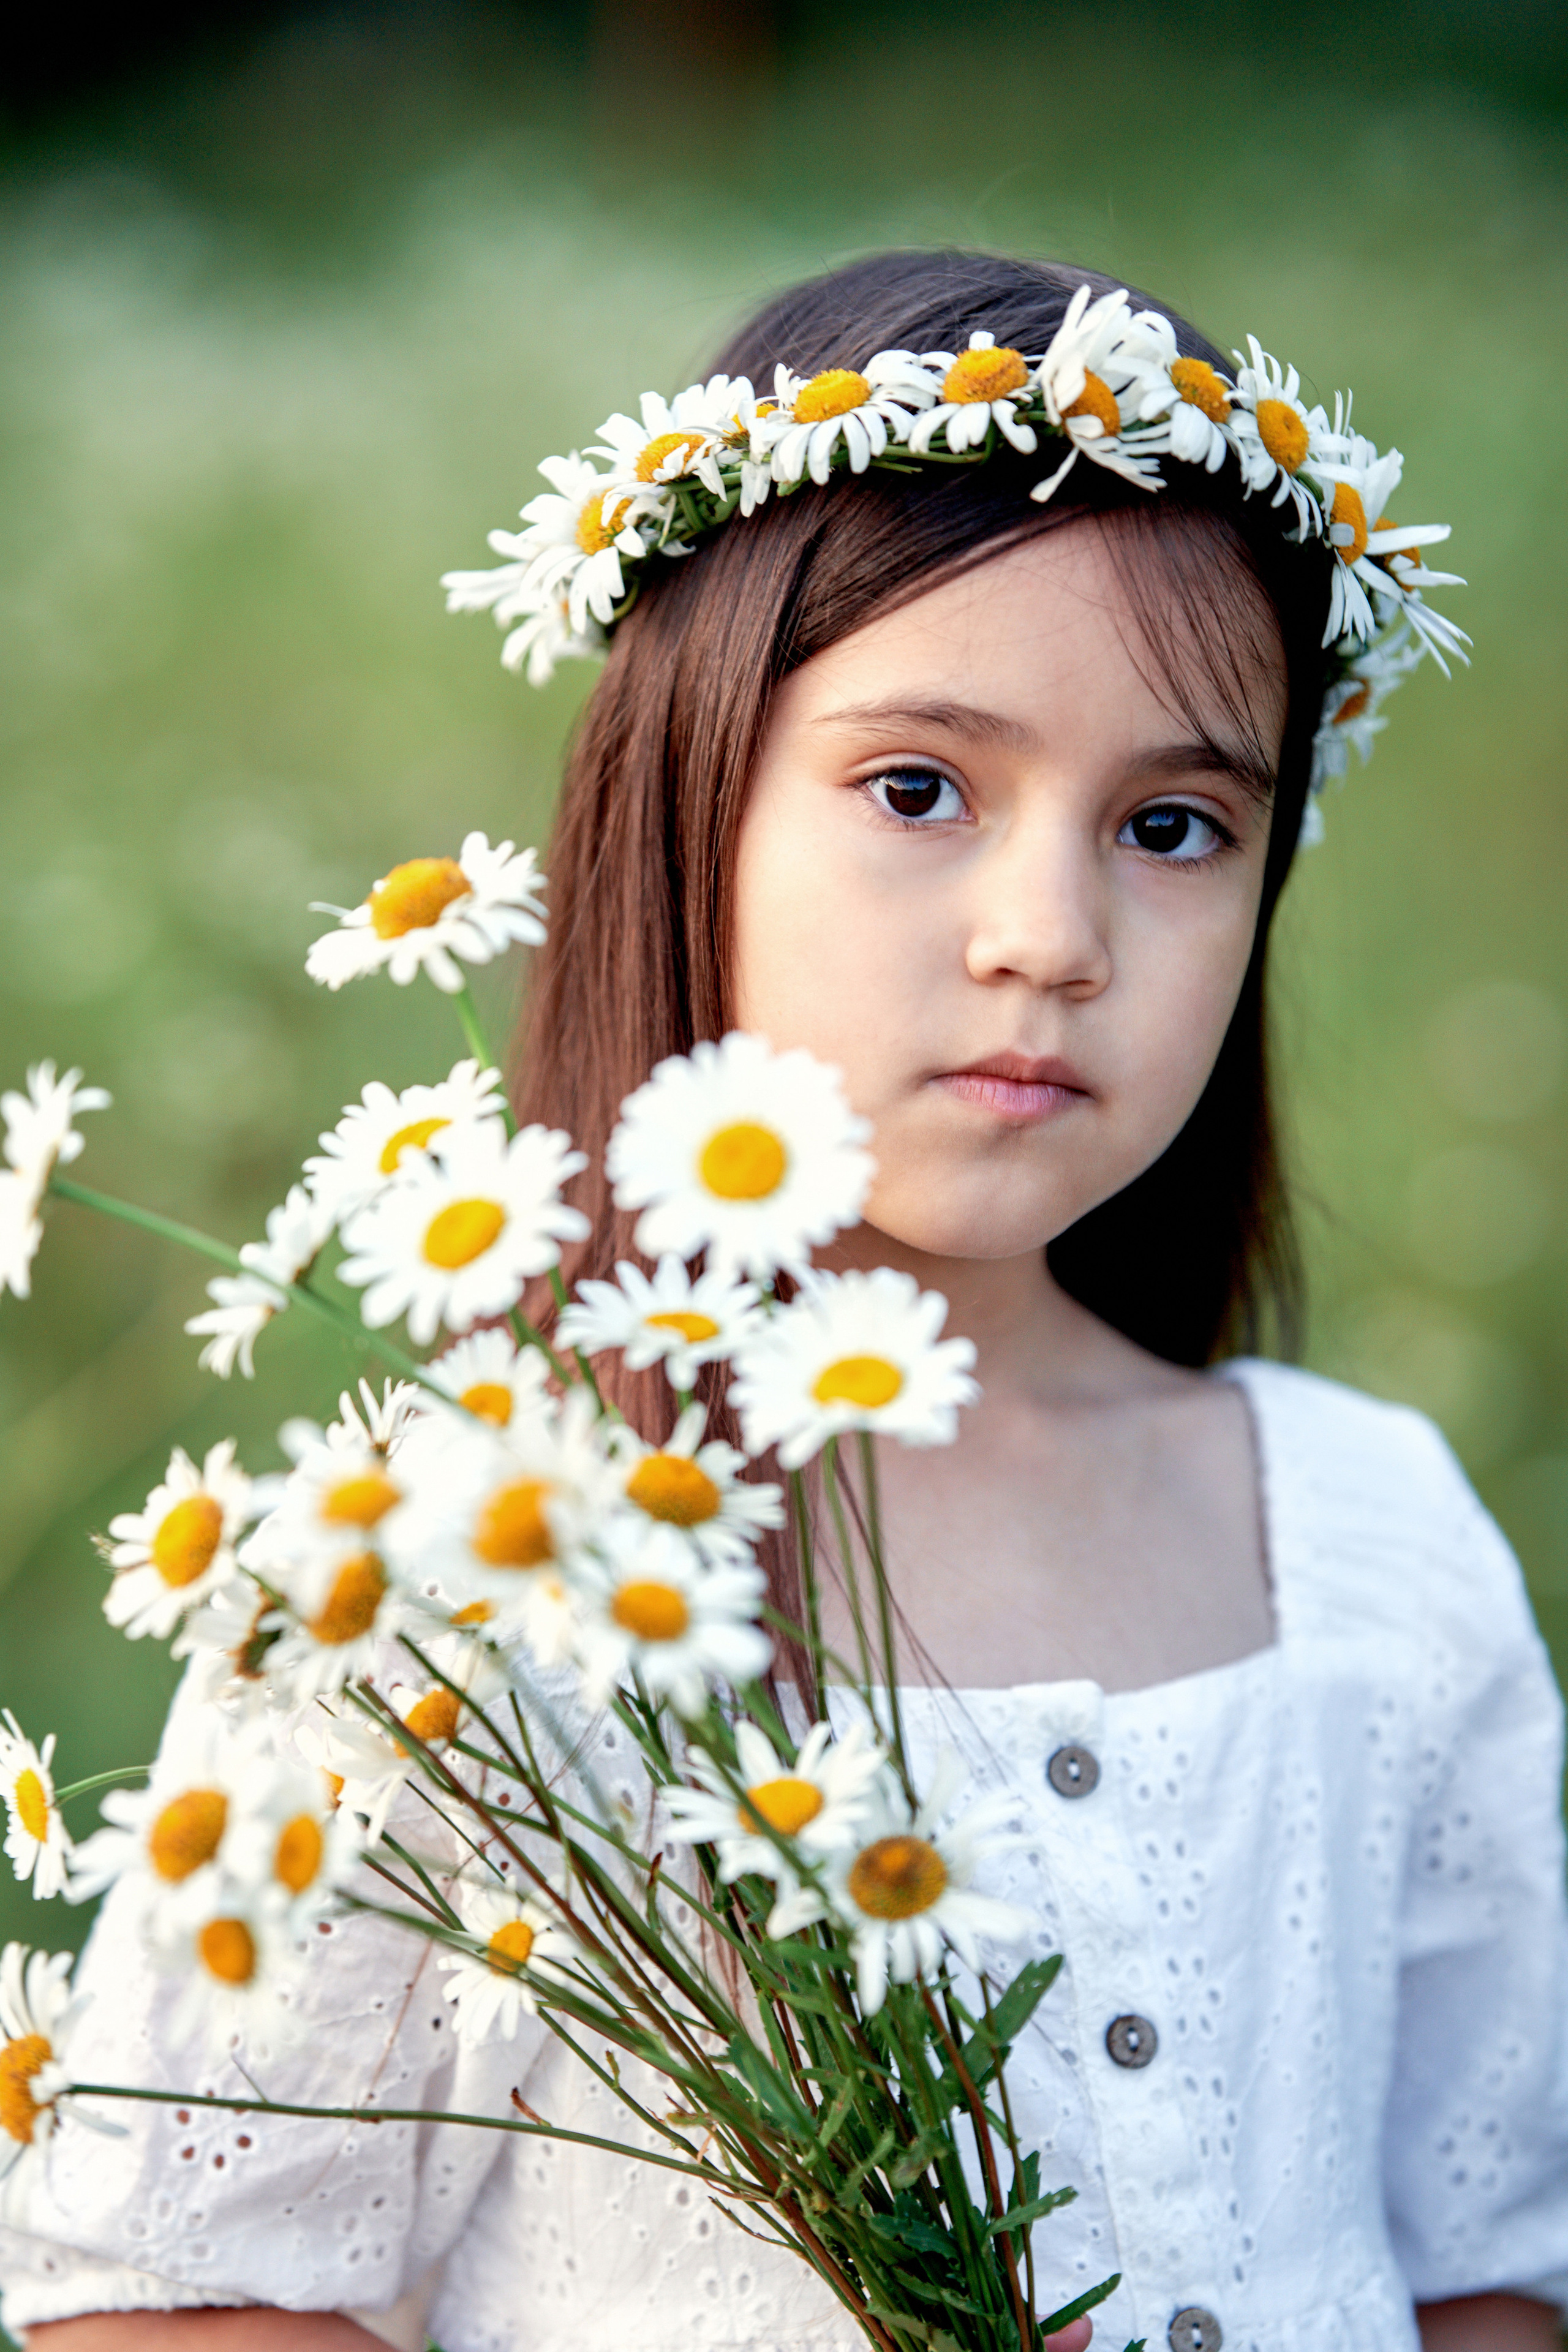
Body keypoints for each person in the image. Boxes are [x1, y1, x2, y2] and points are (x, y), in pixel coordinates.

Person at [5, 251, 1566, 2352]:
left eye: (1176, 824)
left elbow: (1492, 2252)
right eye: (921, 789)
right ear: (692, 793)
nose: (1053, 936)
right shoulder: (442, 1581)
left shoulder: (1375, 1540)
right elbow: (173, 2294)